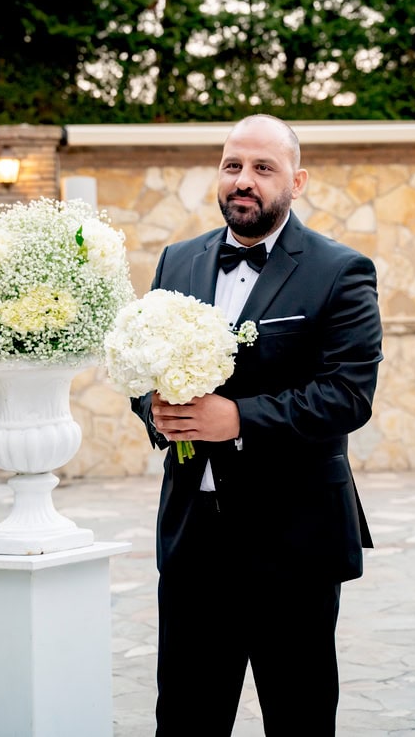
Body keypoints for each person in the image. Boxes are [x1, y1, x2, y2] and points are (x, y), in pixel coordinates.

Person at [132, 113, 383, 736]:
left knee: (298, 718)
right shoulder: (178, 261)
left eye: (262, 168)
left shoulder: (342, 270)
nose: (244, 181)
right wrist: (155, 410)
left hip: (294, 542)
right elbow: (140, 361)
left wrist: (238, 418)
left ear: (295, 182)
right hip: (194, 540)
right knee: (186, 718)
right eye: (233, 166)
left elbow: (348, 395)